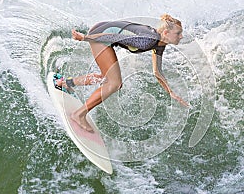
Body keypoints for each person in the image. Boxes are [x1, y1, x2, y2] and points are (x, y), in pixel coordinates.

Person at [58, 14, 189, 132]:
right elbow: (113, 36)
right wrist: (85, 38)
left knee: (107, 78)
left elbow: (157, 71)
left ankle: (66, 83)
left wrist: (170, 92)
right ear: (166, 32)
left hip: (102, 30)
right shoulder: (148, 40)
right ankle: (79, 115)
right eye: (178, 33)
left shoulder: (159, 43)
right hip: (101, 35)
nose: (181, 36)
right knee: (114, 84)